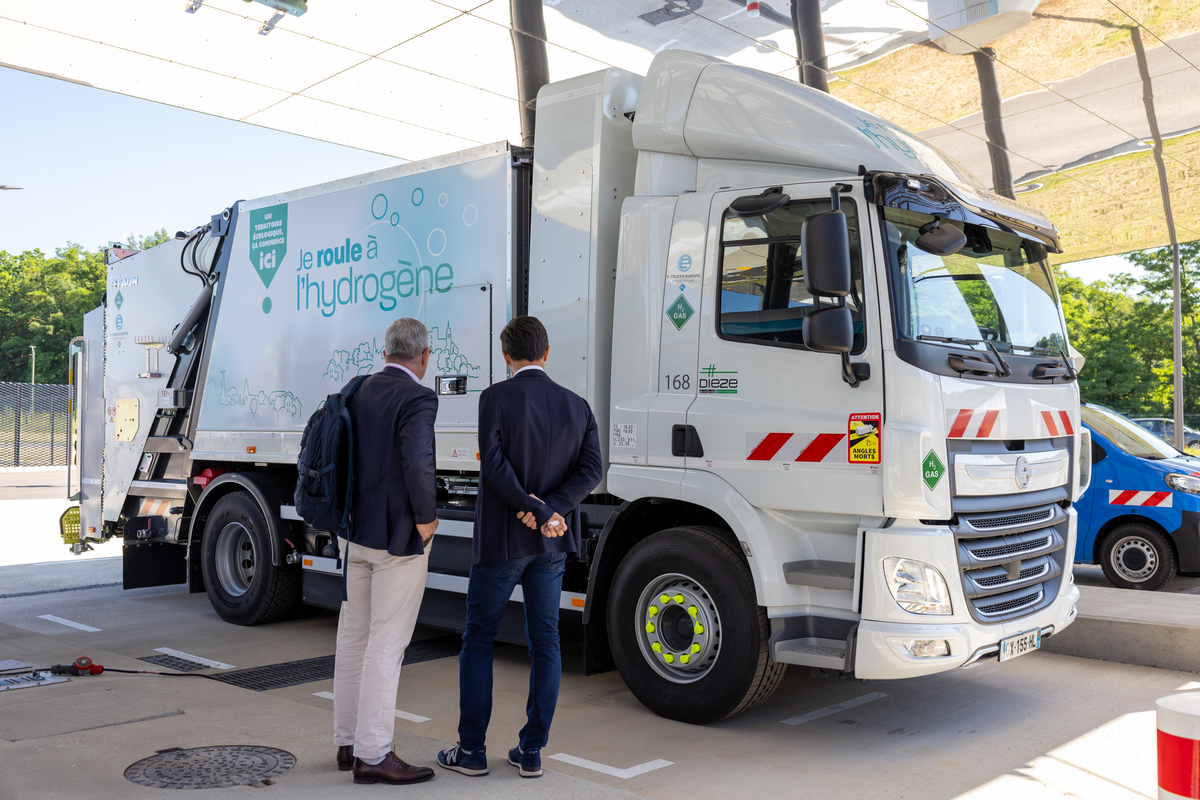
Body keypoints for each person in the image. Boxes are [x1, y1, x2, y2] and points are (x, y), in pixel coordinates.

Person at [437, 315, 603, 780]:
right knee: (546, 643)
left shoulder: (495, 397)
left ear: (506, 356)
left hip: (502, 542)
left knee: (478, 640)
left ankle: (471, 752)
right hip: (550, 545)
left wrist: (531, 505)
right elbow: (592, 470)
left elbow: (492, 466)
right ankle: (531, 751)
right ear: (547, 353)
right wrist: (551, 510)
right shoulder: (577, 406)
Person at [333, 317, 439, 786]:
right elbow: (417, 460)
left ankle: (348, 741)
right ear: (423, 356)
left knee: (354, 637)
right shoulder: (417, 396)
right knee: (386, 643)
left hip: (352, 532)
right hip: (397, 538)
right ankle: (373, 754)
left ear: (386, 351)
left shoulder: (356, 389)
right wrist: (427, 517)